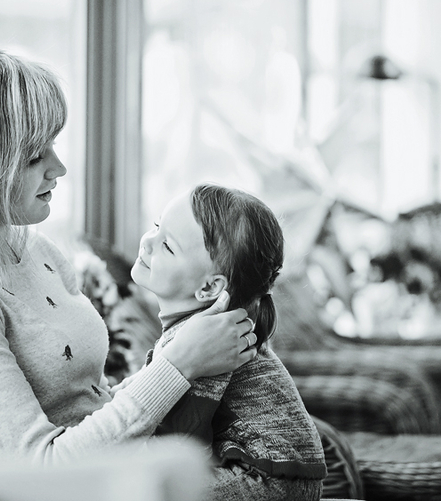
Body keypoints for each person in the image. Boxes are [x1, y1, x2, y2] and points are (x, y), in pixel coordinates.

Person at [0, 46, 257, 466]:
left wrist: (181, 364)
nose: (58, 168)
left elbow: (89, 405)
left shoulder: (33, 249)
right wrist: (178, 366)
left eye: (53, 145)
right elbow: (39, 469)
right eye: (33, 156)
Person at [130, 183, 326, 501]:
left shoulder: (205, 340)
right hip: (282, 473)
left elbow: (181, 445)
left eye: (167, 246)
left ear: (209, 288)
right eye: (156, 226)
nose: (148, 241)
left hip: (266, 477)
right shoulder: (217, 327)